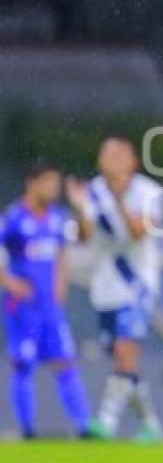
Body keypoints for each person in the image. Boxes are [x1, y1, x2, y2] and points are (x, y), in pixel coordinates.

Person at [65, 137, 163, 441]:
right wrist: (80, 208)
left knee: (125, 352)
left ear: (133, 161)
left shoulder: (149, 192)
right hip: (104, 286)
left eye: (118, 154)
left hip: (137, 284)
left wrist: (119, 198)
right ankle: (151, 425)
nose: (111, 160)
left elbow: (138, 234)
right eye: (106, 153)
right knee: (125, 363)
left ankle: (105, 422)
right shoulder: (92, 192)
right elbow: (82, 237)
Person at [0, 163, 91, 438]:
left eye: (56, 183)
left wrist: (81, 207)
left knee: (65, 362)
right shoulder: (15, 218)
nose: (54, 189)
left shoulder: (57, 218)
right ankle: (27, 430)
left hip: (50, 307)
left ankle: (85, 427)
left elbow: (83, 238)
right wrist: (10, 282)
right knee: (23, 363)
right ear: (32, 182)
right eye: (49, 183)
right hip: (22, 308)